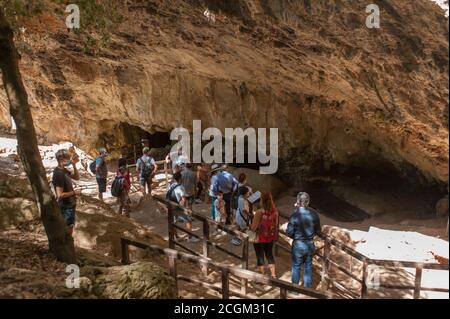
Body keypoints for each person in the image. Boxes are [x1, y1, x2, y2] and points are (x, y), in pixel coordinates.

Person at [287, 192, 321, 288]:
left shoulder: (294, 215)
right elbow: (318, 230)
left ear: (298, 201)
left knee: (296, 266)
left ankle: (294, 289)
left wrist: (296, 237)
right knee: (308, 266)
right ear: (308, 202)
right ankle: (307, 289)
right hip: (310, 243)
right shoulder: (314, 214)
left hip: (298, 244)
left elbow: (289, 232)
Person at [52, 149, 81, 235]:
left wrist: (74, 165)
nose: (69, 160)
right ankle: (67, 244)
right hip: (66, 206)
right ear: (61, 159)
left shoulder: (63, 170)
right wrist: (74, 192)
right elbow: (60, 195)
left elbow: (76, 177)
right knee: (67, 228)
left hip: (70, 204)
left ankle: (68, 244)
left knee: (70, 226)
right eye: (68, 158)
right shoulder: (58, 174)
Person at [250, 192, 278, 277]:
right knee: (269, 254)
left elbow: (253, 227)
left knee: (260, 256)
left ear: (262, 200)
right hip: (270, 237)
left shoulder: (259, 212)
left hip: (259, 237)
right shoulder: (275, 211)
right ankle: (273, 275)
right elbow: (276, 224)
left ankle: (262, 276)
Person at [167, 172, 200, 243]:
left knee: (174, 222)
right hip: (177, 207)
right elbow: (183, 199)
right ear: (180, 178)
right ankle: (190, 237)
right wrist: (183, 208)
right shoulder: (180, 187)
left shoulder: (171, 185)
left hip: (171, 206)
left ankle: (176, 237)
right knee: (188, 221)